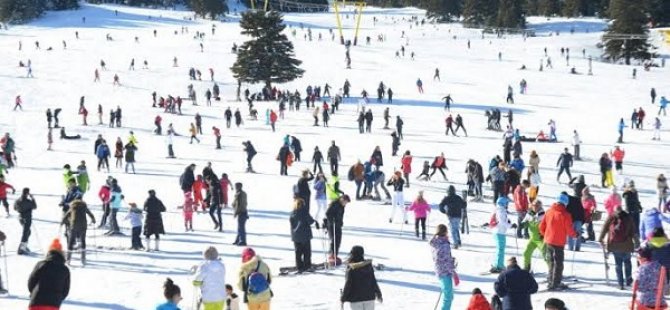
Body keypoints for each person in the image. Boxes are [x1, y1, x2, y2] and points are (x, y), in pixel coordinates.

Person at [539, 193, 576, 290]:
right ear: (566, 203)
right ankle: (556, 283)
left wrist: (546, 235)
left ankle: (551, 280)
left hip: (548, 241)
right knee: (558, 264)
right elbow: (569, 230)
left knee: (551, 262)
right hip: (558, 242)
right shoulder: (566, 215)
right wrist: (575, 234)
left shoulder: (549, 212)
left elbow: (541, 226)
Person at [599, 206, 637, 289]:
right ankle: (628, 279)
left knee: (618, 264)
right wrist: (637, 243)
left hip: (615, 245)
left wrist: (600, 238)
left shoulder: (611, 217)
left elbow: (604, 228)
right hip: (627, 244)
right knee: (627, 262)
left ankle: (620, 283)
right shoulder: (628, 217)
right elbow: (633, 231)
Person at [28, 239, 70, 309]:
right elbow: (65, 290)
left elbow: (31, 282)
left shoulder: (41, 264)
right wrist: (58, 297)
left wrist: (33, 293)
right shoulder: (65, 270)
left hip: (36, 301)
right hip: (54, 304)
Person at [341, 246, 383, 310]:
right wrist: (378, 294)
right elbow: (373, 281)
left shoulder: (351, 268)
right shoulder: (368, 266)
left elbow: (348, 284)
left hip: (355, 299)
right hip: (369, 298)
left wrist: (343, 298)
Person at [61, 194, 96, 265]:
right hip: (83, 225)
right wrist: (93, 220)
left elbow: (67, 215)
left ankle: (68, 259)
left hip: (73, 225)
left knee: (71, 240)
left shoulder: (72, 206)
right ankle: (83, 259)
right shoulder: (84, 206)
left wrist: (62, 222)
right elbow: (90, 214)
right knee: (83, 240)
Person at [430, 224, 457, 310]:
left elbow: (441, 258)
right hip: (445, 272)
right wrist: (453, 271)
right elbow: (446, 261)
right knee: (448, 297)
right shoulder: (444, 245)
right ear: (445, 232)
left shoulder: (436, 242)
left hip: (440, 271)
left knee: (448, 295)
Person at [290, 194, 315, 272]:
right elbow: (310, 221)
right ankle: (307, 265)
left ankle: (299, 266)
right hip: (305, 236)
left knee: (298, 252)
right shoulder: (304, 212)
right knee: (307, 252)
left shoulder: (292, 213)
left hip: (296, 236)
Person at [521, 200, 547, 271]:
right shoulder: (529, 214)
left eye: (537, 206)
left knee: (546, 255)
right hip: (532, 239)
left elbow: (547, 226)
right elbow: (524, 222)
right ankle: (526, 268)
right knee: (526, 253)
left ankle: (552, 271)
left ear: (540, 206)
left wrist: (544, 234)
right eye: (534, 205)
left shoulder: (543, 215)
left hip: (540, 239)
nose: (535, 207)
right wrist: (522, 225)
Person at [325, 194, 350, 264]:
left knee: (338, 240)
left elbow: (340, 215)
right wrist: (332, 221)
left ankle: (335, 255)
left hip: (338, 225)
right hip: (332, 225)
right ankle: (332, 255)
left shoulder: (342, 206)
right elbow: (327, 213)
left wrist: (341, 222)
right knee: (334, 240)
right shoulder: (334, 204)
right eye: (345, 202)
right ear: (342, 199)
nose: (345, 204)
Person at [490, 197, 512, 273]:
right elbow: (502, 222)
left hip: (499, 231)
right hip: (500, 232)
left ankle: (496, 264)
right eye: (506, 203)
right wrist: (510, 226)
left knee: (499, 249)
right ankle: (499, 266)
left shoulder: (499, 210)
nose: (507, 205)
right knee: (501, 249)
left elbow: (503, 221)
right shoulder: (501, 211)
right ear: (503, 203)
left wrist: (508, 222)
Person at [14, 187, 37, 255]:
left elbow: (14, 208)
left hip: (20, 217)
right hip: (27, 218)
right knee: (25, 233)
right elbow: (35, 207)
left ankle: (24, 246)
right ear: (28, 193)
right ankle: (21, 249)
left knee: (28, 232)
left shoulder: (17, 200)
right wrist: (33, 199)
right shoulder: (28, 201)